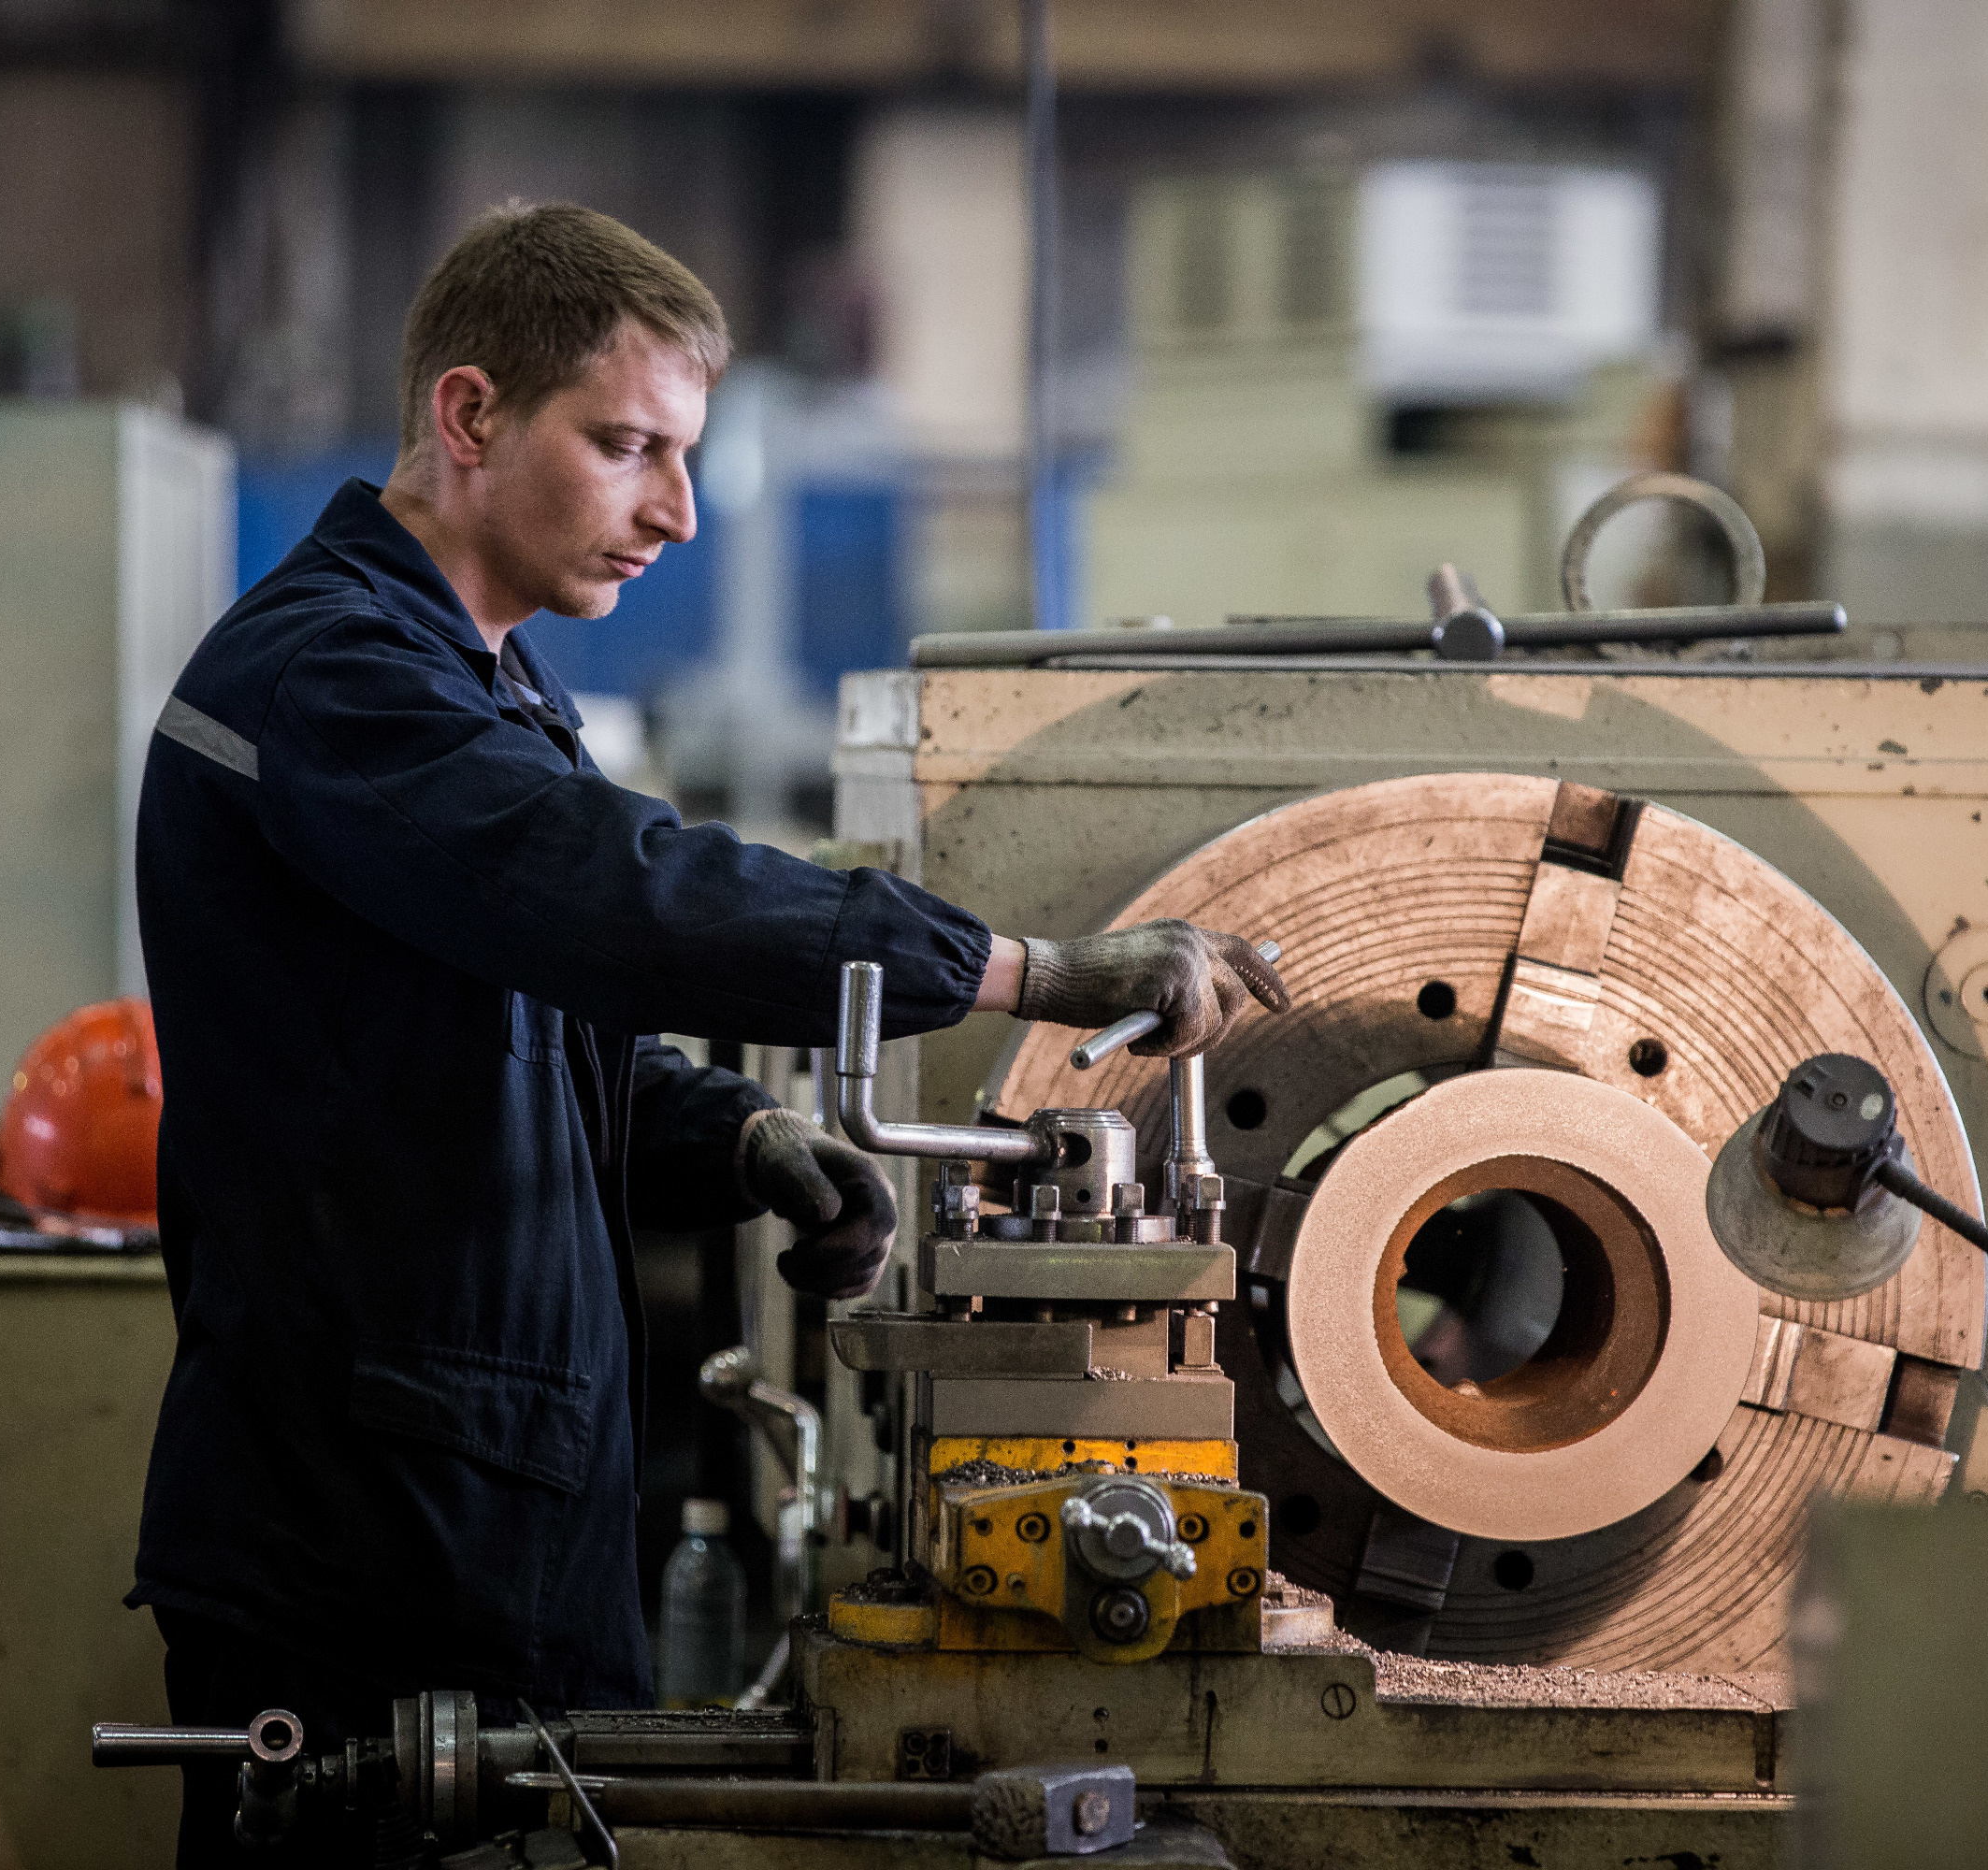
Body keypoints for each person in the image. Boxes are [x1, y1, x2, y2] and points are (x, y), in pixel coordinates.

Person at [128, 200, 1286, 1863]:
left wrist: (735, 1138)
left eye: (684, 456)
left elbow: (527, 1022)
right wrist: (1026, 969)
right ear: (468, 418)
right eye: (626, 448)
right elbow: (618, 899)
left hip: (478, 1517)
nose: (672, 511)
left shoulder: (479, 682)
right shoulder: (330, 678)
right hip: (367, 1558)